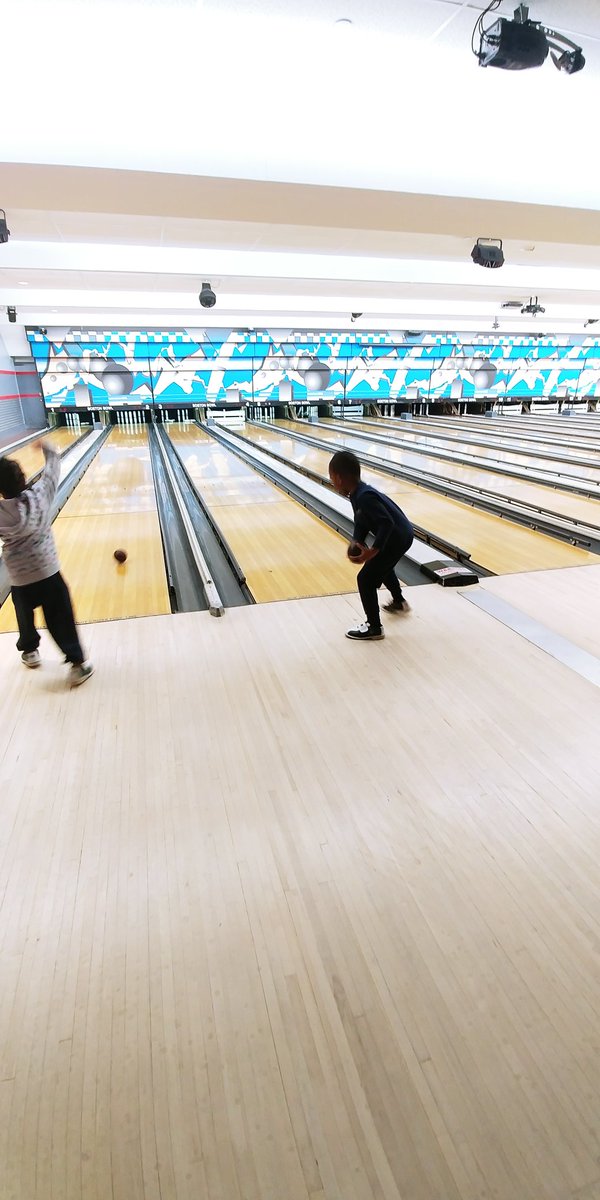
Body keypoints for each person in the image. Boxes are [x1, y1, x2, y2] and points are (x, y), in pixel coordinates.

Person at [0, 440, 94, 686]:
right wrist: (48, 448)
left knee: (23, 614)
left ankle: (30, 651)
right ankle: (76, 664)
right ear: (23, 477)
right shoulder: (41, 495)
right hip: (48, 573)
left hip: (19, 579)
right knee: (60, 618)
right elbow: (53, 468)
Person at [329, 449, 413, 641]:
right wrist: (356, 541)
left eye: (332, 477)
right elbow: (362, 521)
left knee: (366, 579)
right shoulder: (357, 494)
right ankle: (399, 602)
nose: (332, 481)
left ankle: (374, 627)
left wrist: (372, 551)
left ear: (339, 478)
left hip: (396, 537)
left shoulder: (365, 497)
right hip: (401, 535)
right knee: (382, 567)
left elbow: (386, 523)